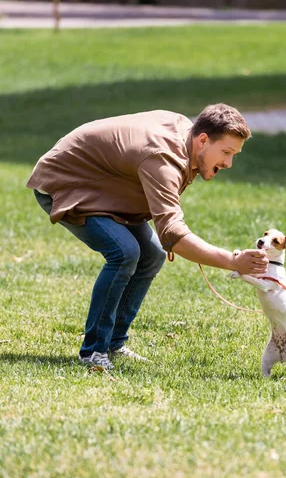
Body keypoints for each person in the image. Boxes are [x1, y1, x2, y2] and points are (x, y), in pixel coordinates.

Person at [27, 103, 269, 370]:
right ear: (202, 140)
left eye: (234, 154)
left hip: (106, 187)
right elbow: (173, 234)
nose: (229, 163)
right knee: (124, 253)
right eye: (226, 152)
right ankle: (94, 351)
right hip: (67, 183)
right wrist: (232, 260)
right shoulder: (163, 158)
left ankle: (114, 343)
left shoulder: (185, 134)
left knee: (152, 253)